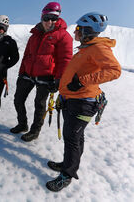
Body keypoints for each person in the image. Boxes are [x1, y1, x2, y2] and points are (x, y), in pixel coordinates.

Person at [46, 12, 121, 192]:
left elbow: (114, 70)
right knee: (75, 137)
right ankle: (68, 164)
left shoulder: (98, 48)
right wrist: (62, 91)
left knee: (72, 138)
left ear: (87, 31)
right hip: (73, 99)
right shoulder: (86, 49)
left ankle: (67, 174)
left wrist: (82, 81)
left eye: (78, 29)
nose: (75, 33)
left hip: (83, 102)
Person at [10, 2, 73, 142]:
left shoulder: (64, 36)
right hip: (28, 73)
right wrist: (21, 73)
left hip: (47, 76)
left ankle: (34, 131)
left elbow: (65, 60)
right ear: (42, 17)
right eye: (46, 18)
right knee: (18, 99)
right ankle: (22, 124)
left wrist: (59, 79)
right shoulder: (35, 35)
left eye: (53, 18)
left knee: (39, 104)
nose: (49, 21)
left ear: (58, 18)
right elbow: (27, 55)